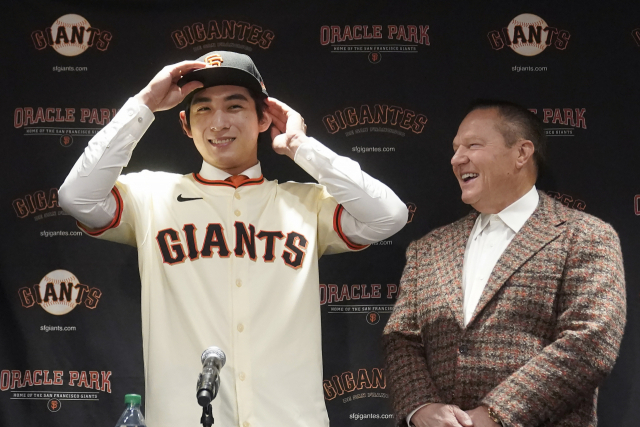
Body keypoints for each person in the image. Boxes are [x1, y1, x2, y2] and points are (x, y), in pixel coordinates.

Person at [58, 51, 408, 427]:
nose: (219, 122)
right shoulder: (151, 197)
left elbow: (389, 215)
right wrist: (143, 105)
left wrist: (301, 146)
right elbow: (77, 197)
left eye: (234, 106)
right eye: (203, 108)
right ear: (185, 124)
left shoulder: (306, 203)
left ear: (263, 118)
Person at [382, 100, 626, 427]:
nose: (457, 159)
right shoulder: (429, 248)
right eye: (455, 149)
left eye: (473, 145)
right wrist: (421, 407)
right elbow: (401, 338)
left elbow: (590, 341)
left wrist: (496, 414)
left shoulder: (585, 236)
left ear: (521, 153)